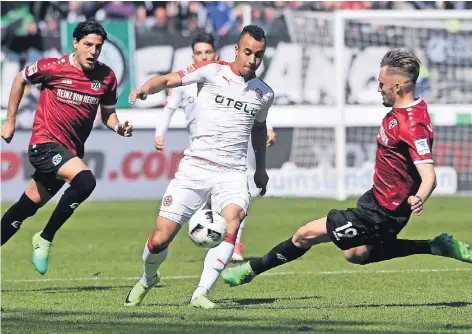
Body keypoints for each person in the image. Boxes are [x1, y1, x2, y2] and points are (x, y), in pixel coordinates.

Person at [221, 49, 472, 288]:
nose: (378, 88)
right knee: (355, 254)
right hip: (375, 200)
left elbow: (429, 175)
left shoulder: (411, 125)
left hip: (382, 214)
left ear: (398, 86)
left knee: (305, 234)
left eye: (382, 84)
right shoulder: (413, 108)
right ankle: (435, 246)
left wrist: (419, 197)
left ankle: (249, 271)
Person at [124, 24, 274, 309]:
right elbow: (169, 80)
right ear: (236, 50)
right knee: (159, 239)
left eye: (258, 55)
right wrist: (145, 89)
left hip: (231, 172)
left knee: (233, 220)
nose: (252, 60)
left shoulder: (264, 93)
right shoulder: (211, 71)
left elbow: (259, 128)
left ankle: (200, 293)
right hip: (195, 167)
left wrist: (260, 169)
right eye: (247, 52)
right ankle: (148, 278)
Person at [0, 20, 133, 275]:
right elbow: (20, 79)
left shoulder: (106, 77)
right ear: (75, 43)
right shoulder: (53, 67)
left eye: (98, 46)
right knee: (85, 181)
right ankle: (46, 237)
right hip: (44, 145)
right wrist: (10, 121)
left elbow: (108, 115)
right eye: (88, 45)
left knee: (24, 209)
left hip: (69, 152)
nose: (93, 51)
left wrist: (118, 127)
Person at [154, 32, 277, 262]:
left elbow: (253, 110)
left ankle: (233, 245)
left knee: (237, 200)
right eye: (199, 53)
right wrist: (160, 133)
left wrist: (269, 129)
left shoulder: (226, 77)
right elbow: (169, 108)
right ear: (193, 56)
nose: (203, 56)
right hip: (201, 152)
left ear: (215, 54)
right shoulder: (190, 81)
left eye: (207, 52)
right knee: (201, 206)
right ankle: (208, 236)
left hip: (232, 151)